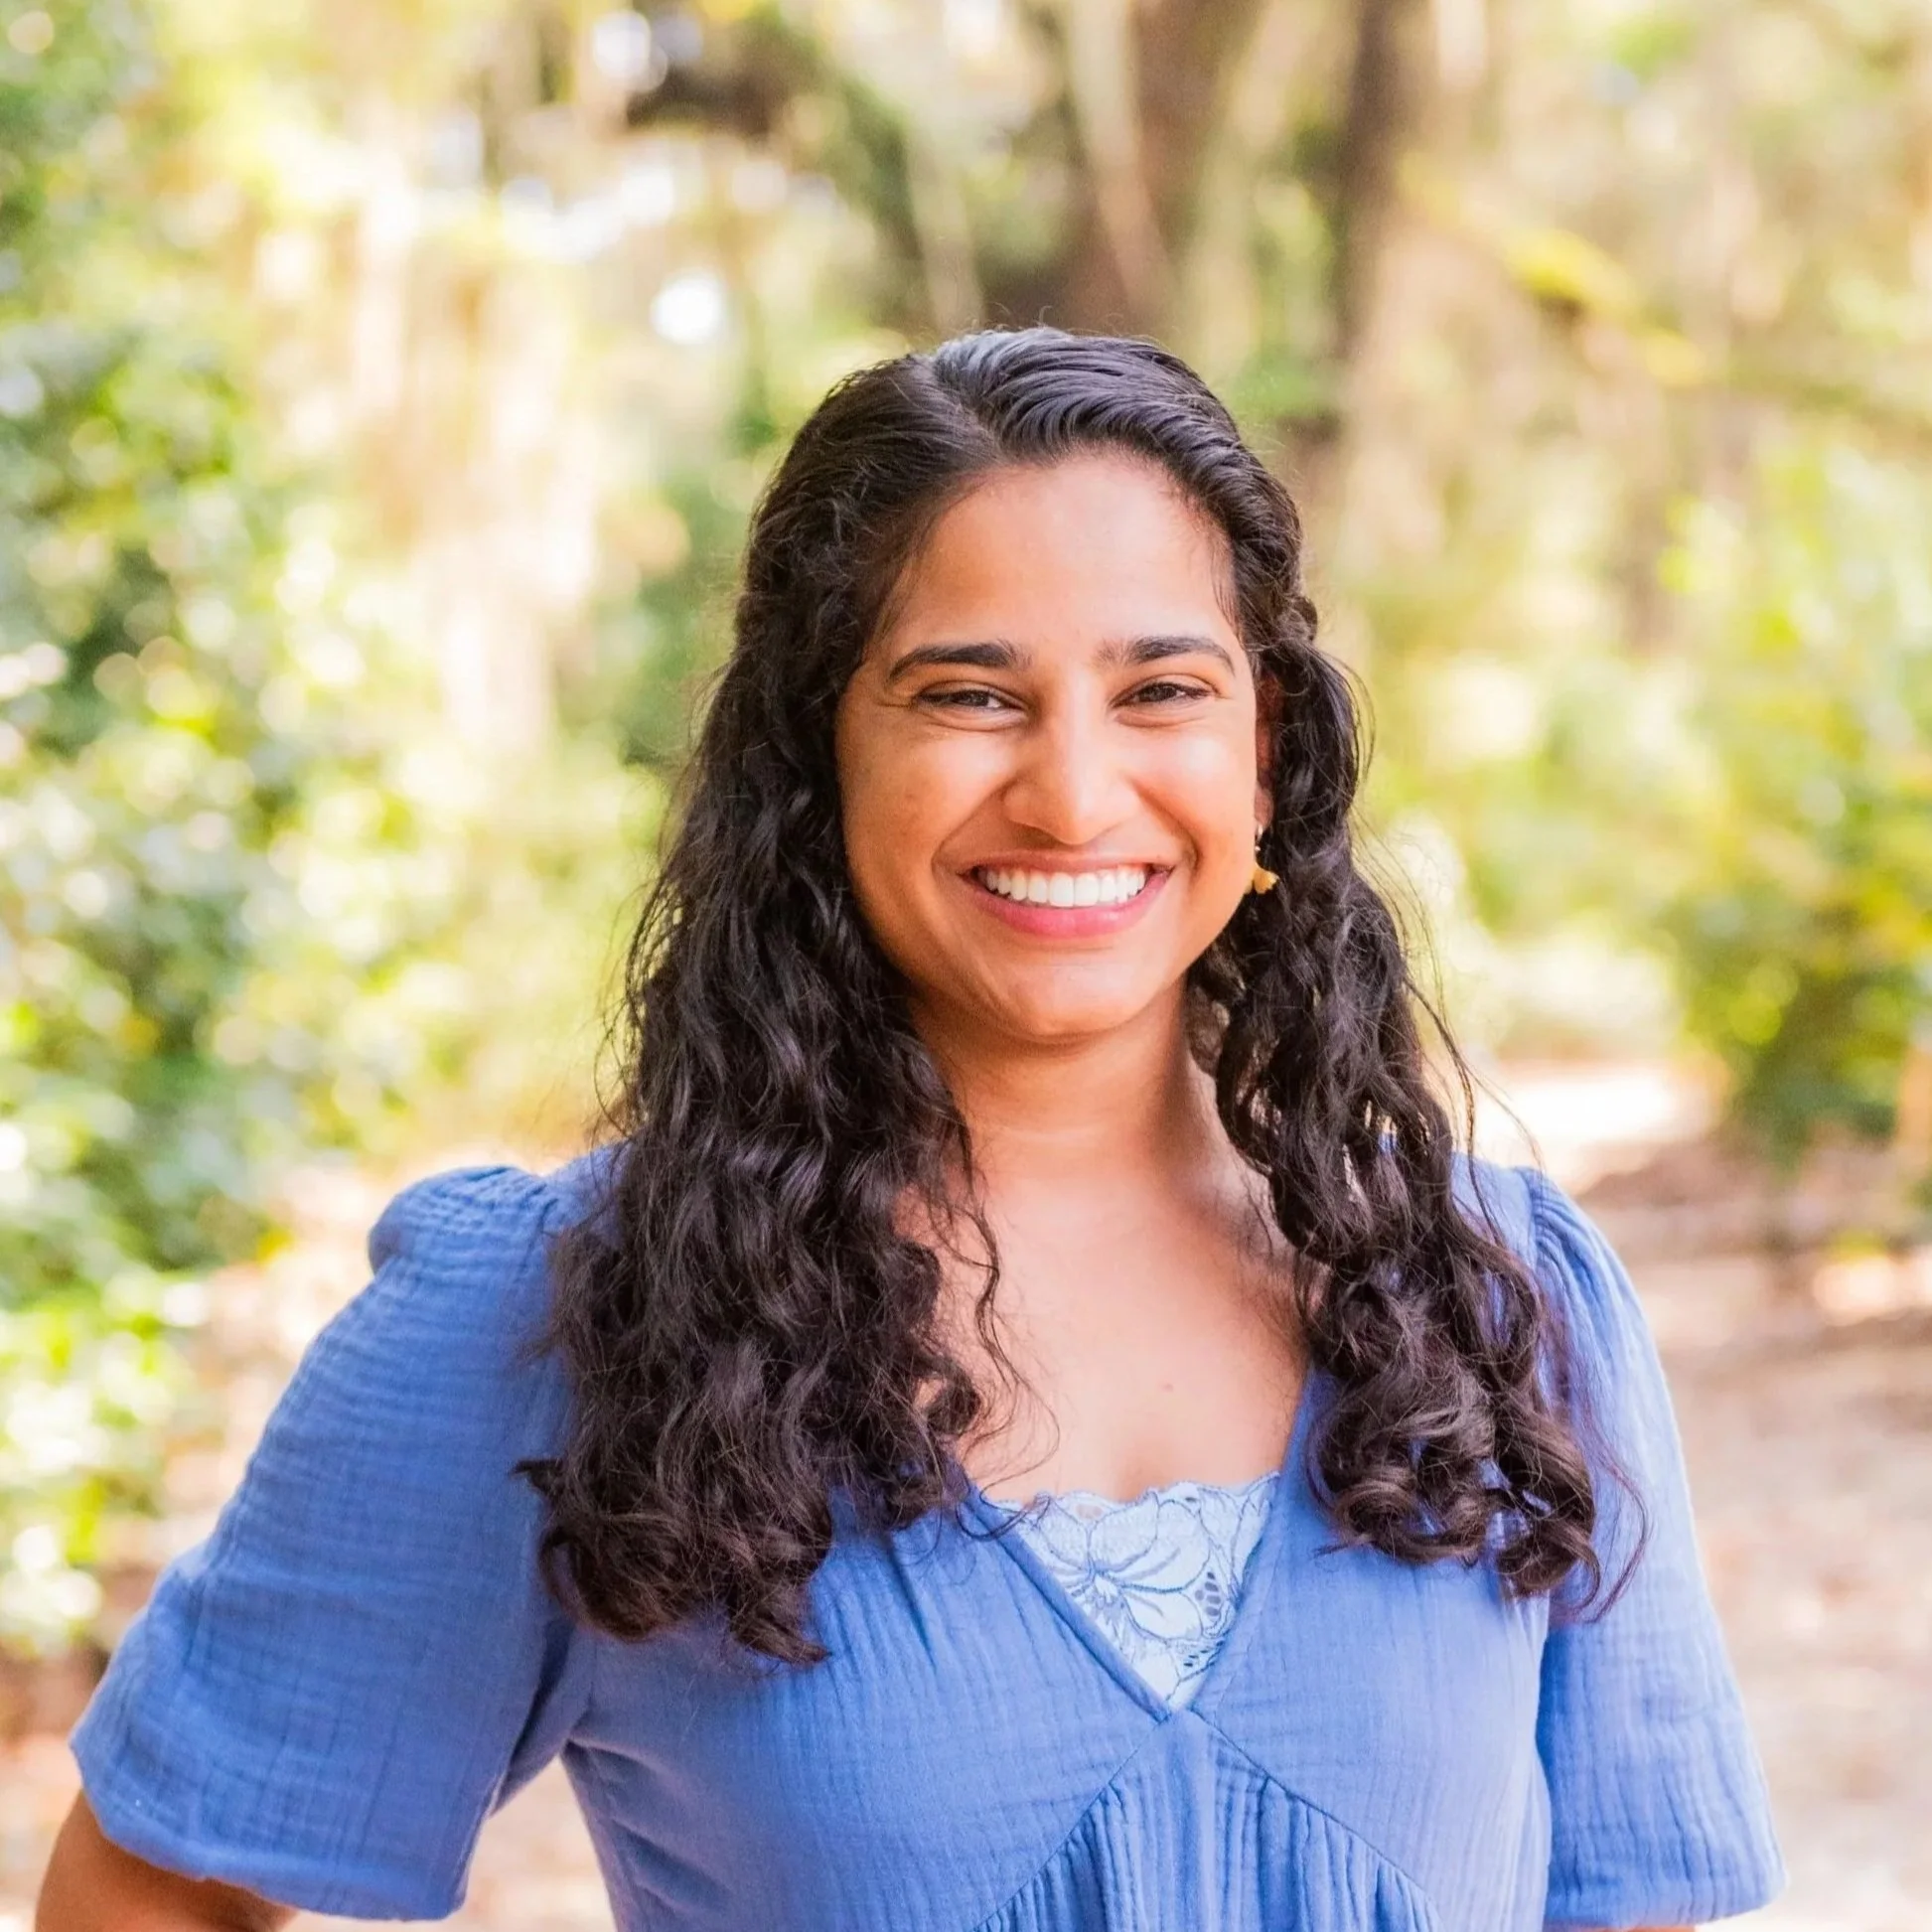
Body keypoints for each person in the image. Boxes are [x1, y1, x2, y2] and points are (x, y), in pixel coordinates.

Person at [37, 328, 1782, 1932]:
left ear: (1269, 762)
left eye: (1163, 690)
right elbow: (150, 1891)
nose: (1077, 792)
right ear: (817, 761)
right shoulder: (557, 1315)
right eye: (970, 694)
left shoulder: (1502, 1303)